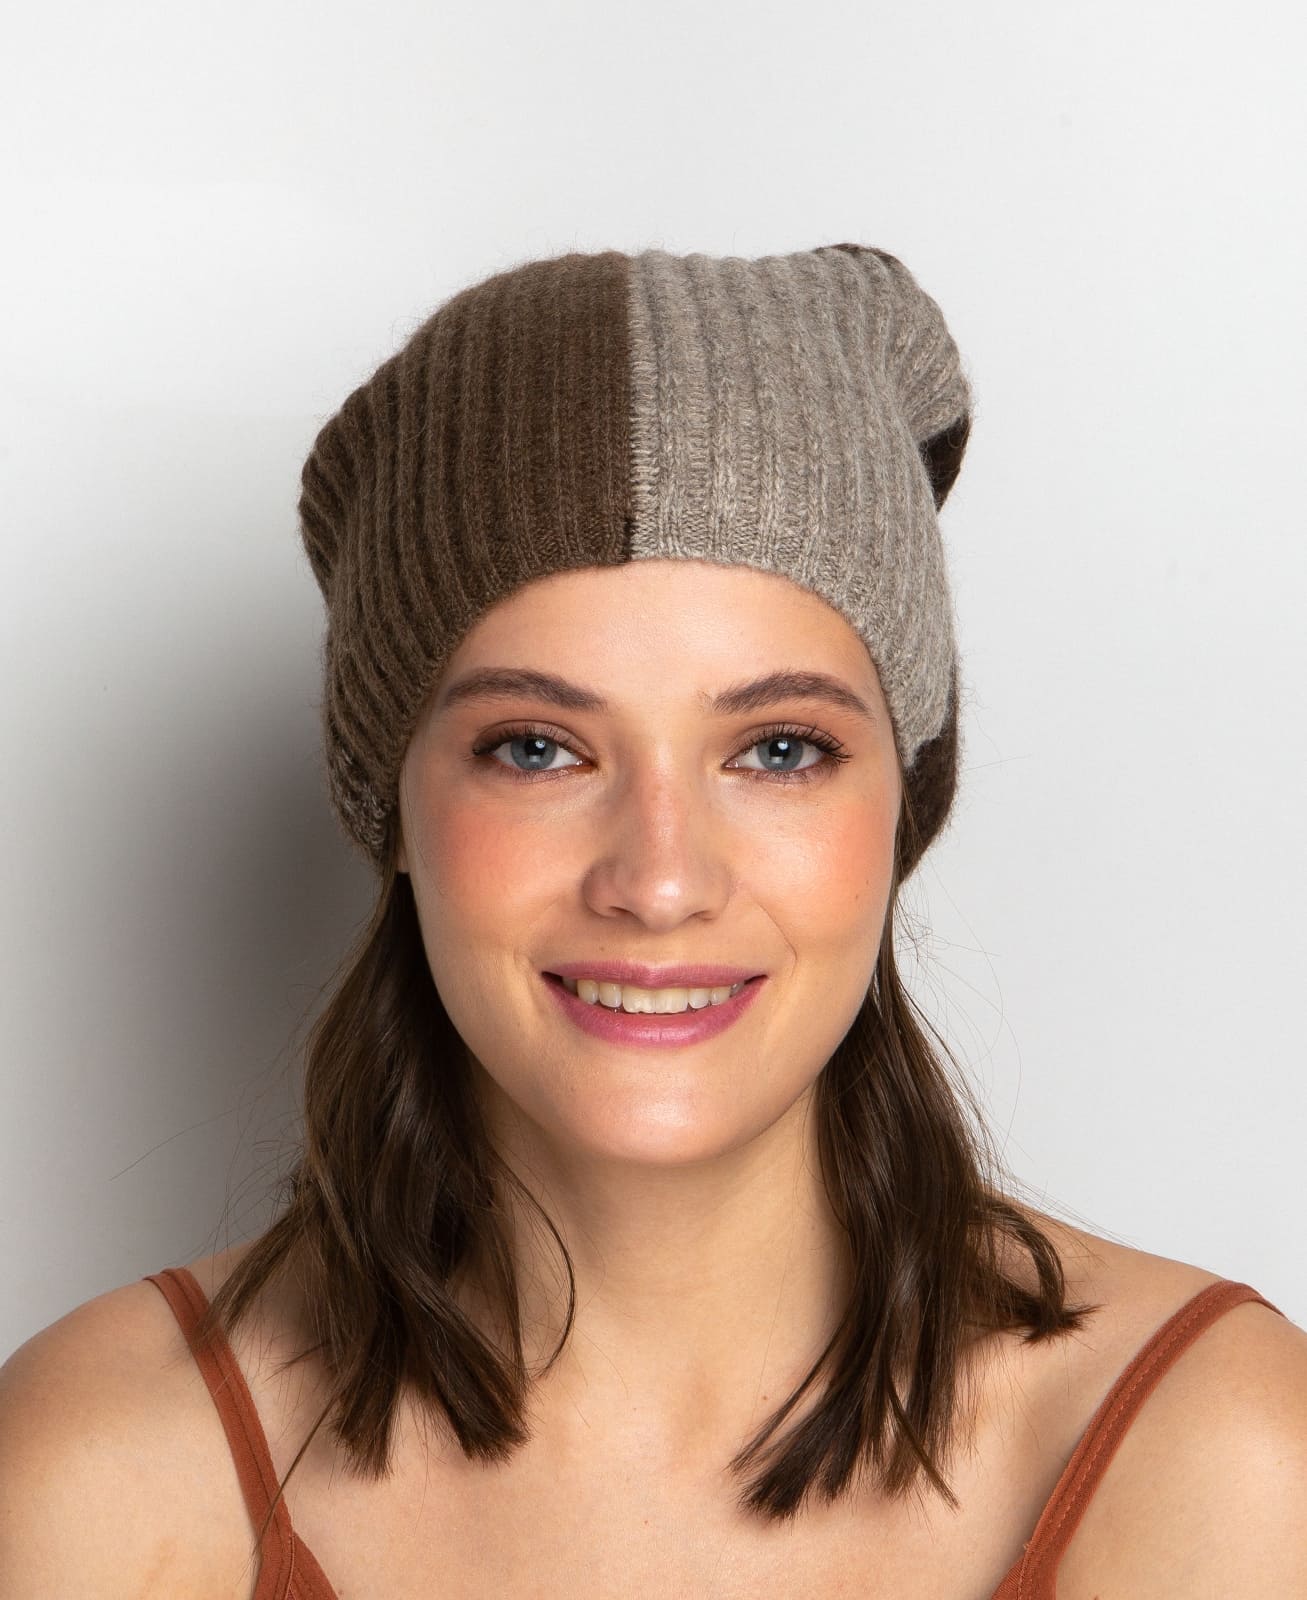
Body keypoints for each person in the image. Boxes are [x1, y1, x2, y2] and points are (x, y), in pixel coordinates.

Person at [2, 242, 1304, 1600]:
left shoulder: (1216, 1458)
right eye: (537, 748)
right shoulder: (98, 1470)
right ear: (396, 808)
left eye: (781, 749)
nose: (661, 879)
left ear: (899, 806)